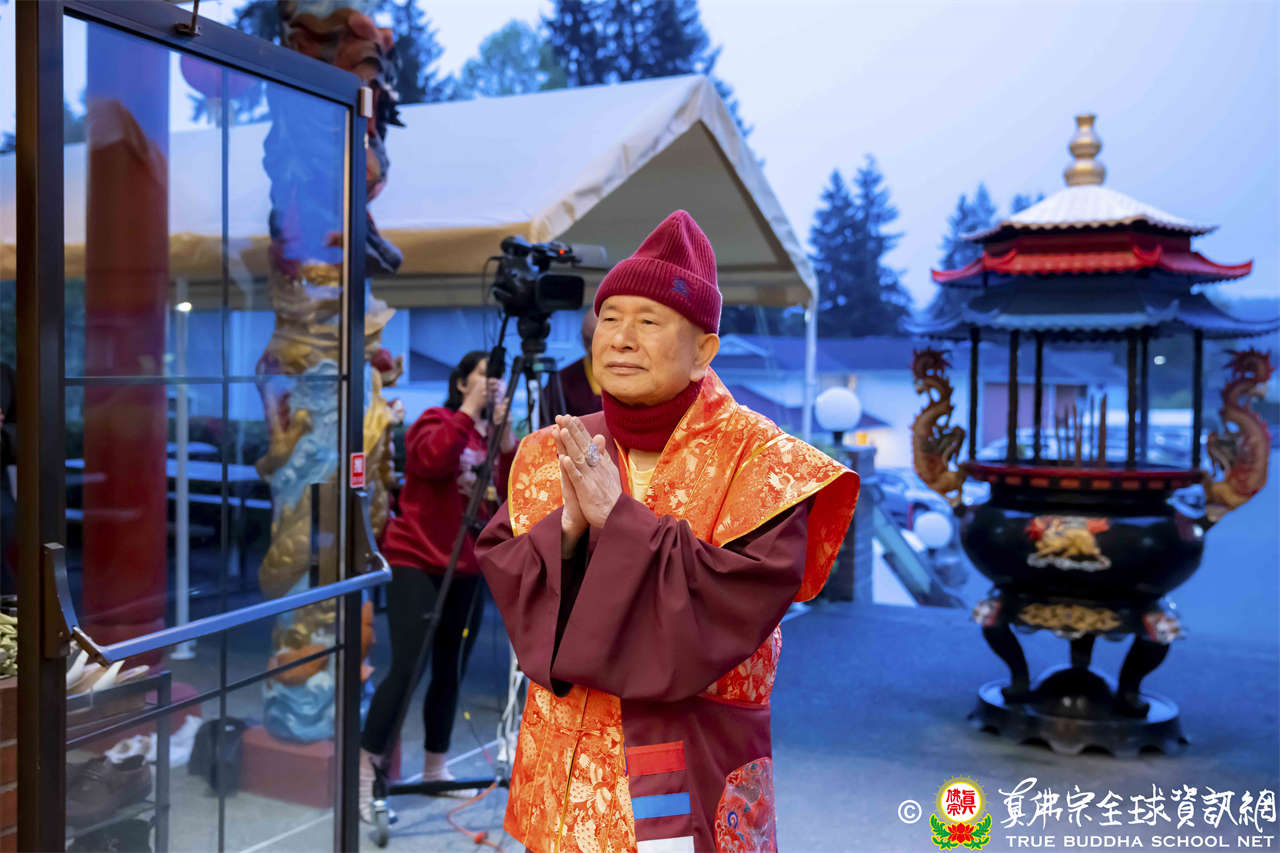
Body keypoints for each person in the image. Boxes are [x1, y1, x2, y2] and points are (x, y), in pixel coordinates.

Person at [477, 211, 859, 853]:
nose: (621, 340)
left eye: (649, 322)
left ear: (703, 351)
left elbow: (732, 607)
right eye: (610, 319)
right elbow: (509, 572)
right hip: (562, 768)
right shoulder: (551, 450)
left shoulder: (765, 464)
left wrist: (618, 521)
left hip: (681, 758)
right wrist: (566, 532)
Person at [359, 350, 516, 819]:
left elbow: (514, 493)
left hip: (466, 566)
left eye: (497, 377)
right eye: (484, 375)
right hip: (416, 560)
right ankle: (365, 771)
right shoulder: (436, 419)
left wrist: (506, 436)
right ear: (462, 381)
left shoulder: (493, 437)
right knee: (408, 667)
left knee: (450, 671)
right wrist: (468, 409)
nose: (492, 383)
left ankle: (435, 769)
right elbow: (429, 461)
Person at [540, 310, 602, 424]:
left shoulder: (630, 373)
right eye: (586, 341)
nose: (590, 349)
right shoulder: (564, 379)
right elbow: (546, 425)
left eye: (596, 341)